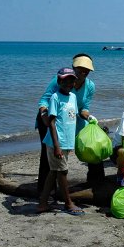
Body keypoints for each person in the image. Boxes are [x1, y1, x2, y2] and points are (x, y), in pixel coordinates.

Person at [37, 53, 103, 190]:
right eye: (80, 69)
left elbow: (84, 108)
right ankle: (45, 189)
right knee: (48, 153)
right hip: (50, 117)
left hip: (72, 117)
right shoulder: (60, 80)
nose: (84, 72)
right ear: (74, 67)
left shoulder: (90, 86)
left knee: (94, 144)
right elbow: (44, 100)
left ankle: (96, 181)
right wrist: (45, 118)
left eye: (87, 70)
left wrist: (89, 117)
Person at [37, 68, 82, 215]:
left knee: (54, 172)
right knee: (63, 172)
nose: (68, 83)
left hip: (67, 142)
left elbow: (71, 119)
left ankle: (43, 203)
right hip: (56, 143)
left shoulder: (73, 97)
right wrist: (57, 146)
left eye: (71, 80)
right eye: (65, 80)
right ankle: (68, 203)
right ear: (59, 81)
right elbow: (51, 122)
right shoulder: (55, 97)